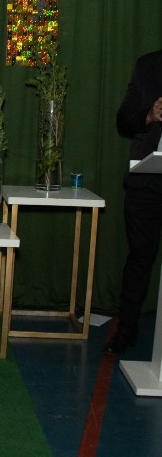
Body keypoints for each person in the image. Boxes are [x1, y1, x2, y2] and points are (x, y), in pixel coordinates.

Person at [104, 49, 162, 355]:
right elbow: (124, 119)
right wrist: (149, 115)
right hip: (147, 180)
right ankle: (126, 330)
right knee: (140, 257)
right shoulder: (148, 66)